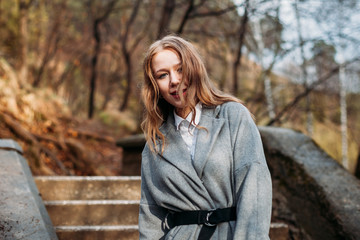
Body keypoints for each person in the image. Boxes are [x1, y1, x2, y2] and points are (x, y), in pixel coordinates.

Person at [139, 35, 272, 240]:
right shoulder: (154, 144)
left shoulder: (233, 117)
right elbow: (151, 216)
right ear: (155, 85)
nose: (174, 80)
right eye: (162, 75)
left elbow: (254, 189)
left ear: (195, 68)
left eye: (180, 69)